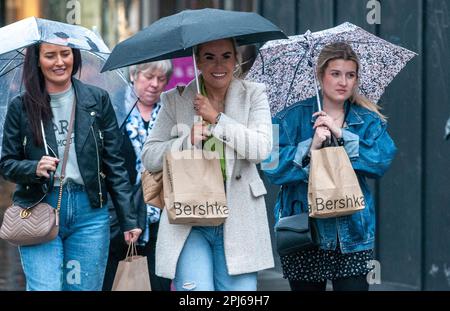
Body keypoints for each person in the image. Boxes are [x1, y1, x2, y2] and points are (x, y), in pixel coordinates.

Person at [0, 43, 141, 291]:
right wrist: (32, 168)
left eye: (65, 54)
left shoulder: (96, 100)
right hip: (38, 208)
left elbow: (114, 163)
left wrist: (128, 219)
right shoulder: (22, 106)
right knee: (47, 288)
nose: (59, 62)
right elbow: (7, 164)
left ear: (74, 57)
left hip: (90, 213)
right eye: (50, 55)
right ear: (38, 61)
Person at [141, 38, 274, 291]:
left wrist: (217, 119)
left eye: (226, 56)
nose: (218, 64)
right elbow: (149, 156)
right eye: (209, 57)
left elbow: (261, 149)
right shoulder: (175, 99)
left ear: (236, 59)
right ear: (198, 61)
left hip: (240, 218)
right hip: (189, 219)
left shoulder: (254, 94)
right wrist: (185, 141)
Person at [262, 42, 397, 291]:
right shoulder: (285, 116)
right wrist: (310, 147)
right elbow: (270, 165)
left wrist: (342, 135)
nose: (343, 82)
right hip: (303, 230)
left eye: (350, 74)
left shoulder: (367, 119)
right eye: (335, 73)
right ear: (320, 74)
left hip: (352, 234)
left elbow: (382, 160)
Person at [103, 60, 173, 291]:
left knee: (158, 282)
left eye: (161, 79)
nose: (155, 84)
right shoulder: (112, 108)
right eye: (148, 77)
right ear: (133, 75)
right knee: (117, 280)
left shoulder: (171, 112)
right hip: (118, 215)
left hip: (161, 212)